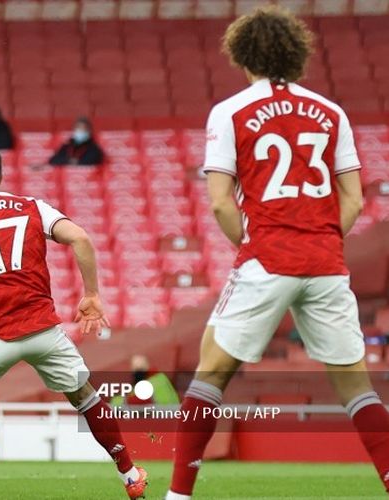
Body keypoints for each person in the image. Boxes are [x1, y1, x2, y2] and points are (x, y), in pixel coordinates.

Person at [166, 7, 389, 499]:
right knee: (357, 388)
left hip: (267, 258)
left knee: (209, 377)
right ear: (296, 52)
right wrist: (324, 237)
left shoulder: (230, 111)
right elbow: (352, 197)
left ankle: (178, 495)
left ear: (241, 53)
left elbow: (222, 200)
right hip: (326, 262)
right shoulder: (331, 112)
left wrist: (253, 244)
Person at [0, 146, 148, 500]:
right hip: (44, 330)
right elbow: (81, 238)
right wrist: (91, 294)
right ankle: (131, 475)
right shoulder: (31, 206)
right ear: (0, 176)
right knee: (85, 396)